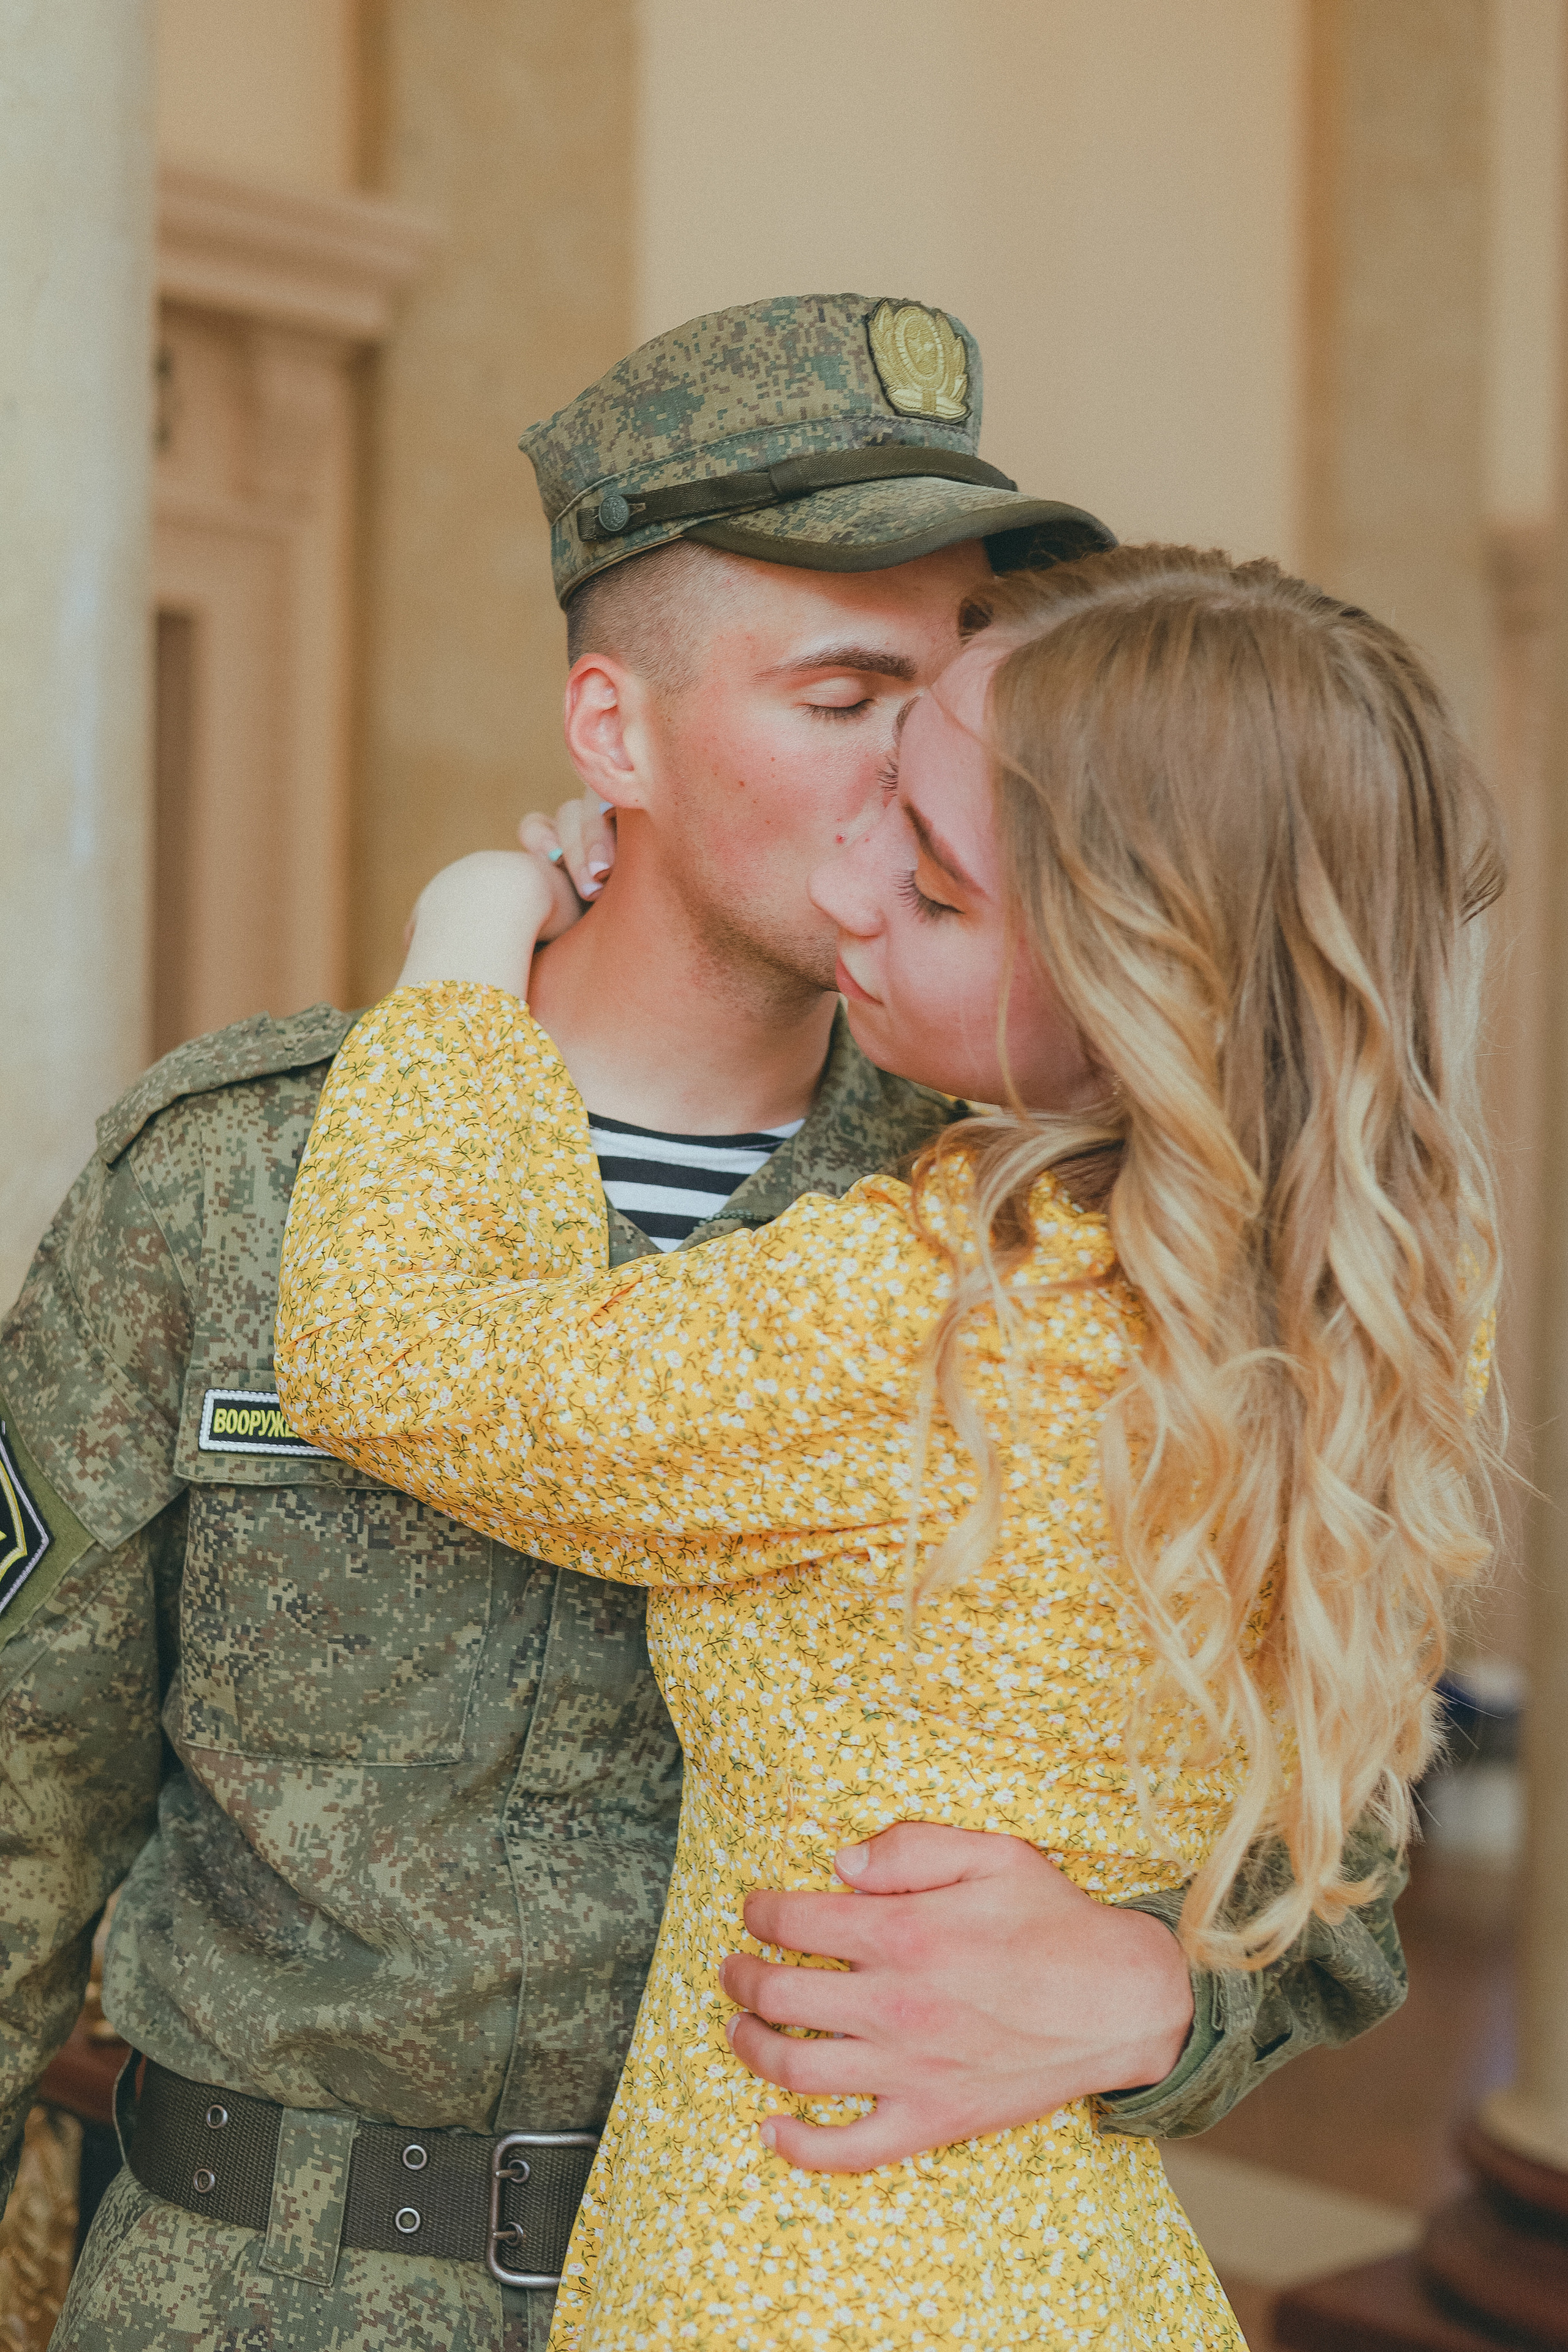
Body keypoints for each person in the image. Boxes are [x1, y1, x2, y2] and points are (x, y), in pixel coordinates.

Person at [0, 300, 1401, 2352]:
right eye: (849, 692)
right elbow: (21, 1786)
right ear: (611, 731)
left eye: (959, 694)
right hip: (265, 2288)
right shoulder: (247, 1178)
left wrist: (1168, 1995)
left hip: (826, 2271)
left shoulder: (1085, 1230)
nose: (930, 769)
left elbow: (1327, 1804)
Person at [274, 545, 1503, 2350]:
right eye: (881, 768)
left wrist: (465, 937)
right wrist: (1163, 1972)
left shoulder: (940, 1314)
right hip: (1076, 2265)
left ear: (1136, 988)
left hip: (797, 2253)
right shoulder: (1379, 1305)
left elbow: (400, 1355)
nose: (847, 879)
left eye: (929, 885)